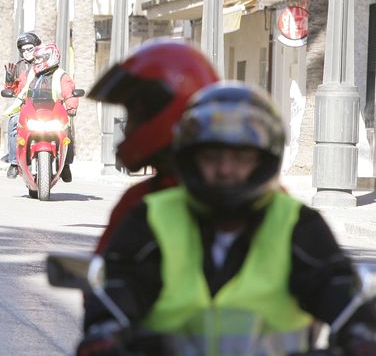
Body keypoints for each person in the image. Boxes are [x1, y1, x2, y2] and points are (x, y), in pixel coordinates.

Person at [79, 83, 376, 355]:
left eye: (240, 158)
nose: (225, 169)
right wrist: (105, 329)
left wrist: (360, 332)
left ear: (263, 160)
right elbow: (118, 282)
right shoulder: (150, 216)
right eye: (212, 157)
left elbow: (338, 287)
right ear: (191, 159)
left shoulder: (298, 222)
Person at [87, 39, 218, 253]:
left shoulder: (141, 203)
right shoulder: (139, 200)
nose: (127, 129)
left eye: (133, 114)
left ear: (159, 108)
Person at [11, 43, 79, 181]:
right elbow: (19, 90)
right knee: (14, 124)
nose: (36, 62)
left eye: (40, 59)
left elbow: (69, 92)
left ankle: (66, 165)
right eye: (36, 59)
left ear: (50, 57)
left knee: (68, 132)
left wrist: (71, 106)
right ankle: (14, 162)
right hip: (33, 113)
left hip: (55, 114)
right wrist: (9, 84)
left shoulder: (61, 75)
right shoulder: (29, 74)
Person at [1, 32, 41, 178]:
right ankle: (13, 162)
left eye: (29, 49)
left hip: (46, 107)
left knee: (65, 125)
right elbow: (11, 90)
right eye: (23, 50)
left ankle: (67, 164)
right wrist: (9, 81)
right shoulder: (18, 67)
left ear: (37, 47)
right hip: (25, 108)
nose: (26, 52)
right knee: (12, 122)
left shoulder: (47, 63)